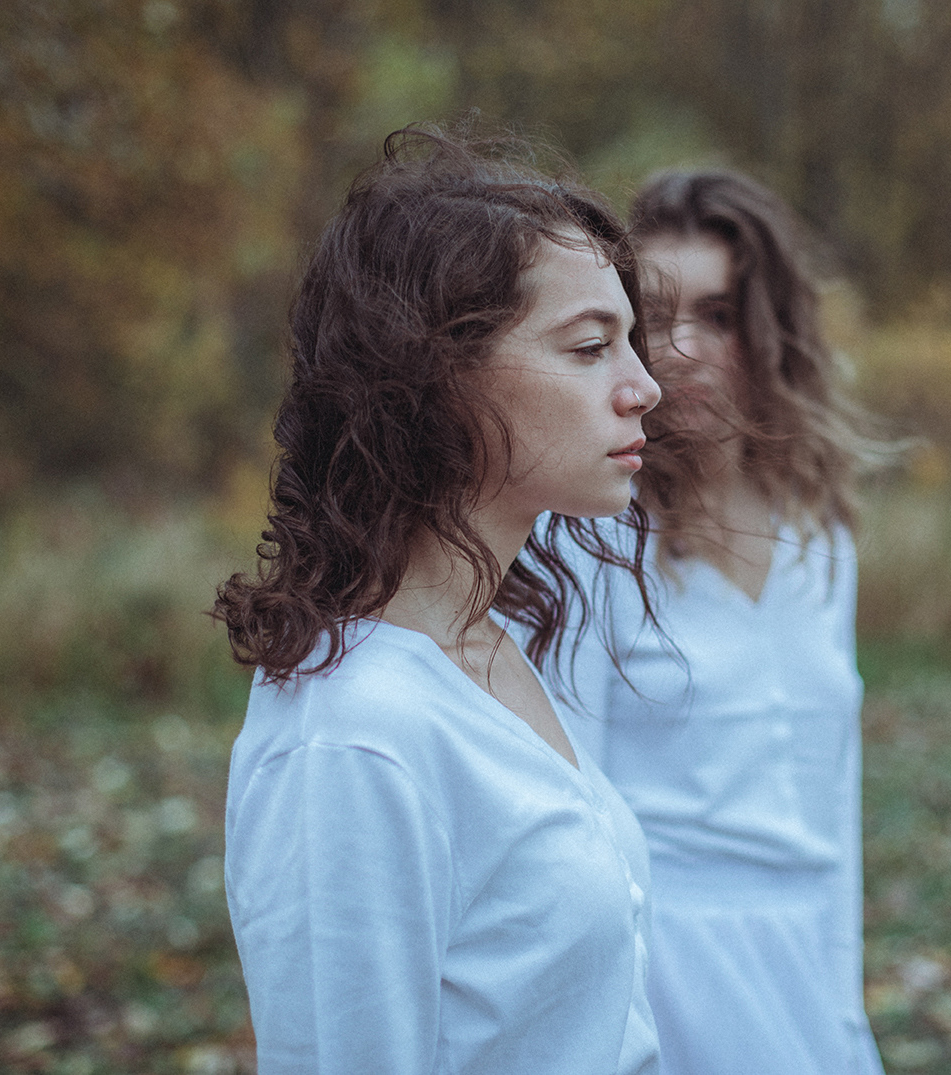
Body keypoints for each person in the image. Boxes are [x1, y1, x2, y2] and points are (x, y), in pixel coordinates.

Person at [214, 125, 665, 1075]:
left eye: (630, 343)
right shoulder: (353, 736)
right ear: (435, 374)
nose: (644, 387)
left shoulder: (487, 643)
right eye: (590, 347)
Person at [554, 169, 887, 1074]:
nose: (683, 348)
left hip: (808, 976)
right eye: (655, 318)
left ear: (770, 330)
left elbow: (835, 806)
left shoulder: (820, 535)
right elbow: (575, 817)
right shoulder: (589, 534)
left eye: (720, 315)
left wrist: (844, 1011)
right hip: (663, 975)